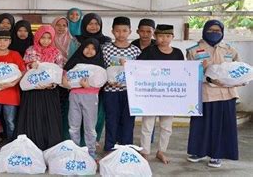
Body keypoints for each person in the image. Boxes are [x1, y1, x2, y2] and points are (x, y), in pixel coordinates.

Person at [186, 20, 241, 168]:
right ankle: (198, 151)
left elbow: (239, 70)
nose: (215, 33)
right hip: (204, 93)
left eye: (218, 30)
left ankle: (217, 155)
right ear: (204, 31)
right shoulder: (193, 50)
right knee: (201, 125)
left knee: (221, 126)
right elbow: (190, 73)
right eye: (211, 30)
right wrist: (208, 76)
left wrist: (239, 80)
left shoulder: (229, 49)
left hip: (227, 94)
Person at [137, 24, 184, 164]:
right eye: (161, 36)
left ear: (173, 37)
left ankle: (161, 151)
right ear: (155, 37)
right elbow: (138, 69)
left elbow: (183, 73)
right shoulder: (149, 51)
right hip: (151, 94)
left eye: (168, 36)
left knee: (166, 126)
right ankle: (145, 152)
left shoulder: (178, 53)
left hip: (169, 95)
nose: (164, 39)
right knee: (147, 125)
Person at [15, 25, 64, 150]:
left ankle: (49, 145)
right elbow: (23, 68)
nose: (46, 40)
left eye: (49, 38)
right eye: (43, 37)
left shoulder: (56, 52)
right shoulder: (30, 50)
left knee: (48, 117)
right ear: (37, 37)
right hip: (33, 90)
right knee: (33, 116)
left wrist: (52, 84)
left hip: (49, 91)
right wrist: (31, 65)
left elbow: (59, 71)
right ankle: (32, 144)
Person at [102, 16, 141, 152]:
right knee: (111, 120)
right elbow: (102, 69)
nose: (121, 34)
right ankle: (110, 148)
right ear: (112, 31)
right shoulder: (106, 49)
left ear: (130, 31)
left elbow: (139, 72)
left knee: (128, 121)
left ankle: (126, 148)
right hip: (110, 92)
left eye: (124, 31)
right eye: (118, 31)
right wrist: (108, 81)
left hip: (129, 93)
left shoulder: (135, 51)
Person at [62, 38, 105, 159]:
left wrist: (89, 86)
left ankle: (91, 151)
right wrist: (64, 80)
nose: (89, 51)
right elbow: (66, 74)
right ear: (82, 48)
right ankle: (74, 150)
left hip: (90, 97)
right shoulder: (75, 61)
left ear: (97, 51)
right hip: (74, 96)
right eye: (87, 47)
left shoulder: (99, 64)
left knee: (90, 127)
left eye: (93, 49)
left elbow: (100, 82)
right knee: (73, 125)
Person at [75, 12, 111, 145]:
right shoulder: (76, 39)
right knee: (77, 111)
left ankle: (93, 139)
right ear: (84, 24)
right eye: (90, 23)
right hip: (79, 83)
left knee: (98, 111)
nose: (93, 26)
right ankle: (76, 139)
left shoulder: (106, 41)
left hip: (99, 83)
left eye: (97, 24)